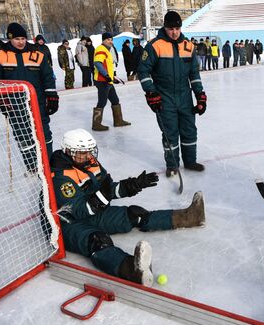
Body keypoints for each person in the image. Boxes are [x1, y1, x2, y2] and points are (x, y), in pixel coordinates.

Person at [51, 129, 206, 286]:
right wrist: (104, 195)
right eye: (81, 153)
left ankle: (189, 216)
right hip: (68, 223)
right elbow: (79, 210)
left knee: (135, 213)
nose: (88, 156)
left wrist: (133, 185)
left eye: (90, 151)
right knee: (98, 241)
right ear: (68, 151)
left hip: (95, 212)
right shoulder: (60, 177)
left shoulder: (90, 163)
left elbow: (108, 188)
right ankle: (133, 270)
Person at [138, 11, 207, 177]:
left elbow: (194, 74)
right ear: (165, 27)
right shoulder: (154, 46)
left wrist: (200, 95)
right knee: (170, 133)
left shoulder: (188, 46)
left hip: (184, 96)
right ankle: (173, 165)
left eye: (177, 28)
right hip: (164, 97)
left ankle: (190, 162)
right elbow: (143, 71)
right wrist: (151, 92)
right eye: (171, 28)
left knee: (189, 130)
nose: (174, 32)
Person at [0, 22, 58, 169]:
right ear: (10, 39)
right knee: (23, 136)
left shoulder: (37, 53)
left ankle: (49, 163)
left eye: (23, 38)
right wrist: (2, 102)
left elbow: (47, 76)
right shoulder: (0, 55)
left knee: (45, 134)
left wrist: (52, 97)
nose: (21, 42)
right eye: (17, 39)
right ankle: (32, 165)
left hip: (38, 102)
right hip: (14, 105)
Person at [92, 32, 131, 131]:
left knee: (115, 100)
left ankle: (118, 121)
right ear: (103, 40)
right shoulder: (101, 49)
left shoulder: (107, 50)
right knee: (102, 102)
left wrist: (112, 78)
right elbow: (97, 63)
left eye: (111, 39)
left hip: (107, 80)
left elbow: (107, 66)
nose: (111, 41)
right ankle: (96, 124)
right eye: (108, 39)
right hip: (102, 81)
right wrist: (106, 75)